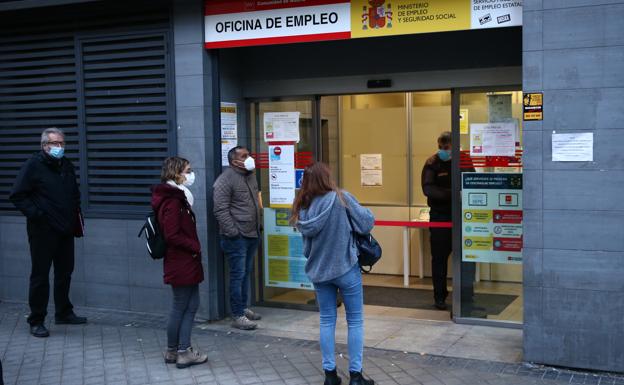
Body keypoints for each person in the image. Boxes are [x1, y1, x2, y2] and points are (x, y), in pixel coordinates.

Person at [292, 162, 375, 385]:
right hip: (346, 268)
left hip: (320, 271)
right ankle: (355, 377)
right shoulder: (342, 198)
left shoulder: (304, 207)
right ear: (327, 178)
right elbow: (367, 223)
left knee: (327, 320)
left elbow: (307, 247)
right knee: (355, 321)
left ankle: (330, 375)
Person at [10, 127, 86, 338]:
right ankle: (37, 320)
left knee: (64, 272)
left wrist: (74, 214)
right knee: (40, 276)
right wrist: (38, 215)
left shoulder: (66, 165)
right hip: (42, 230)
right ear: (44, 145)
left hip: (65, 229)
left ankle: (63, 312)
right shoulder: (33, 165)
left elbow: (73, 193)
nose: (59, 148)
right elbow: (17, 195)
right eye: (55, 144)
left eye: (62, 144)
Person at [151, 157, 208, 369]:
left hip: (183, 260)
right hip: (182, 260)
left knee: (188, 304)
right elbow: (172, 234)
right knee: (182, 305)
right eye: (188, 170)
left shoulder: (175, 197)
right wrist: (194, 246)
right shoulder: (174, 201)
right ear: (176, 173)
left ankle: (173, 351)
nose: (191, 174)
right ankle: (183, 351)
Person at [421, 131, 475, 311]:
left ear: (454, 146)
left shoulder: (464, 160)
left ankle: (466, 295)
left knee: (467, 260)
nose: (443, 150)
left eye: (446, 147)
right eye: (440, 147)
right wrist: (453, 194)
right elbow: (428, 189)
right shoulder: (432, 163)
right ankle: (439, 298)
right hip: (440, 218)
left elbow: (472, 183)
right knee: (439, 260)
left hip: (462, 218)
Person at [213, 146, 262, 330]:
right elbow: (220, 209)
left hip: (252, 234)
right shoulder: (225, 180)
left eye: (249, 154)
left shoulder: (250, 175)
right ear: (235, 162)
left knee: (245, 274)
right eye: (245, 156)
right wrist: (233, 232)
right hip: (237, 237)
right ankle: (238, 315)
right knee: (237, 275)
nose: (249, 158)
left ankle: (243, 307)